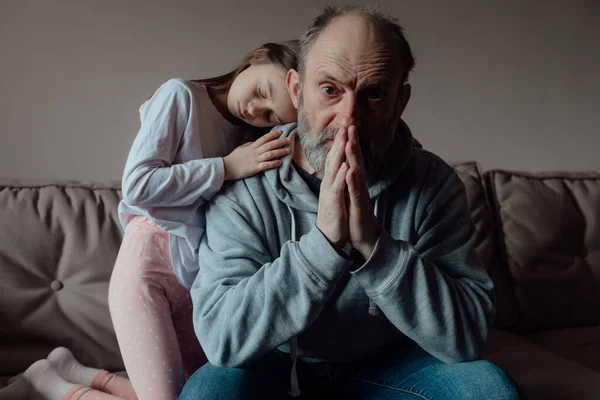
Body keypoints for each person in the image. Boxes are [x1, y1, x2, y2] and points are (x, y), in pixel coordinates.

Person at [180, 5, 522, 400]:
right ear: (296, 90)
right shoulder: (244, 185)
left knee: (488, 390)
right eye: (329, 90)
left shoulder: (432, 183)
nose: (349, 119)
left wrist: (376, 247)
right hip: (274, 365)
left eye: (373, 94)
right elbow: (221, 340)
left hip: (393, 364)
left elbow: (469, 338)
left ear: (400, 102)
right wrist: (322, 245)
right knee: (208, 392)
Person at [22, 40, 300, 400]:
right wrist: (227, 167)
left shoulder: (248, 138)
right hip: (147, 269)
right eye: (261, 91)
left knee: (186, 395)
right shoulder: (180, 96)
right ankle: (49, 385)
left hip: (196, 281)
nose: (253, 109)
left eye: (270, 116)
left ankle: (73, 371)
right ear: (258, 56)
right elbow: (137, 186)